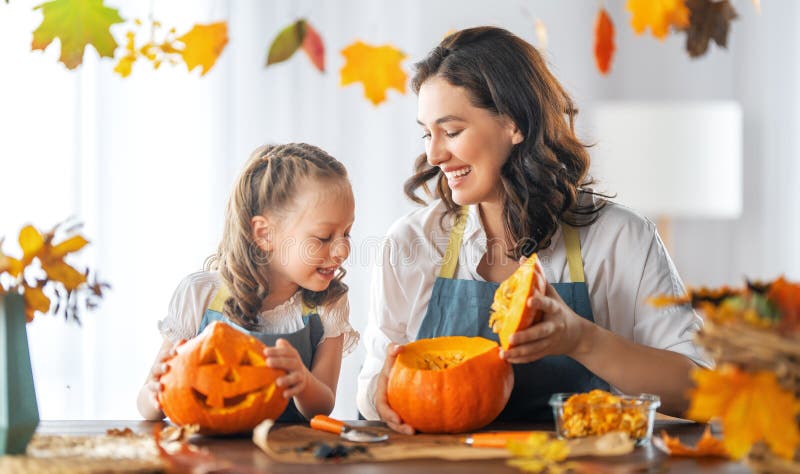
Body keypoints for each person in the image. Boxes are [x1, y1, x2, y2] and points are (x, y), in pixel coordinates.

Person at [356, 26, 710, 434]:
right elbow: (369, 390)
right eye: (427, 133)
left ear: (513, 124)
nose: (434, 154)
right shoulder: (411, 242)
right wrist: (379, 397)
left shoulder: (620, 238)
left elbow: (703, 392)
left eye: (451, 132)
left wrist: (583, 340)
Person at [138, 142, 359, 422]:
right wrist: (154, 393)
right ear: (264, 234)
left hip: (288, 458)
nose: (342, 250)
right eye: (324, 237)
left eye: (347, 233)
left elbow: (322, 406)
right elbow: (146, 406)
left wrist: (303, 381)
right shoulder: (201, 295)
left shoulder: (328, 305)